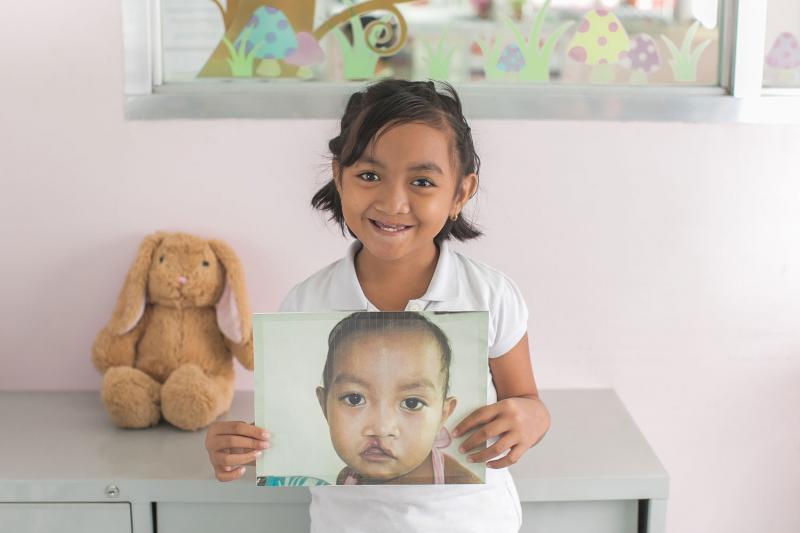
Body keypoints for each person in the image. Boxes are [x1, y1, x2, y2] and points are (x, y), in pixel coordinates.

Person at [205, 79, 551, 532]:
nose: (393, 202)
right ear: (339, 177)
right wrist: (237, 446)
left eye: (422, 182)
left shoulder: (491, 294)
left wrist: (529, 419)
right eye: (369, 176)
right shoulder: (307, 303)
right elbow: (288, 431)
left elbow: (526, 400)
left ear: (460, 193)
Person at [317, 311, 481, 485]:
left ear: (443, 414)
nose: (381, 429)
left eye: (411, 403)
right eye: (354, 399)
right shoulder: (347, 479)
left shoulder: (462, 483)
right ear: (324, 406)